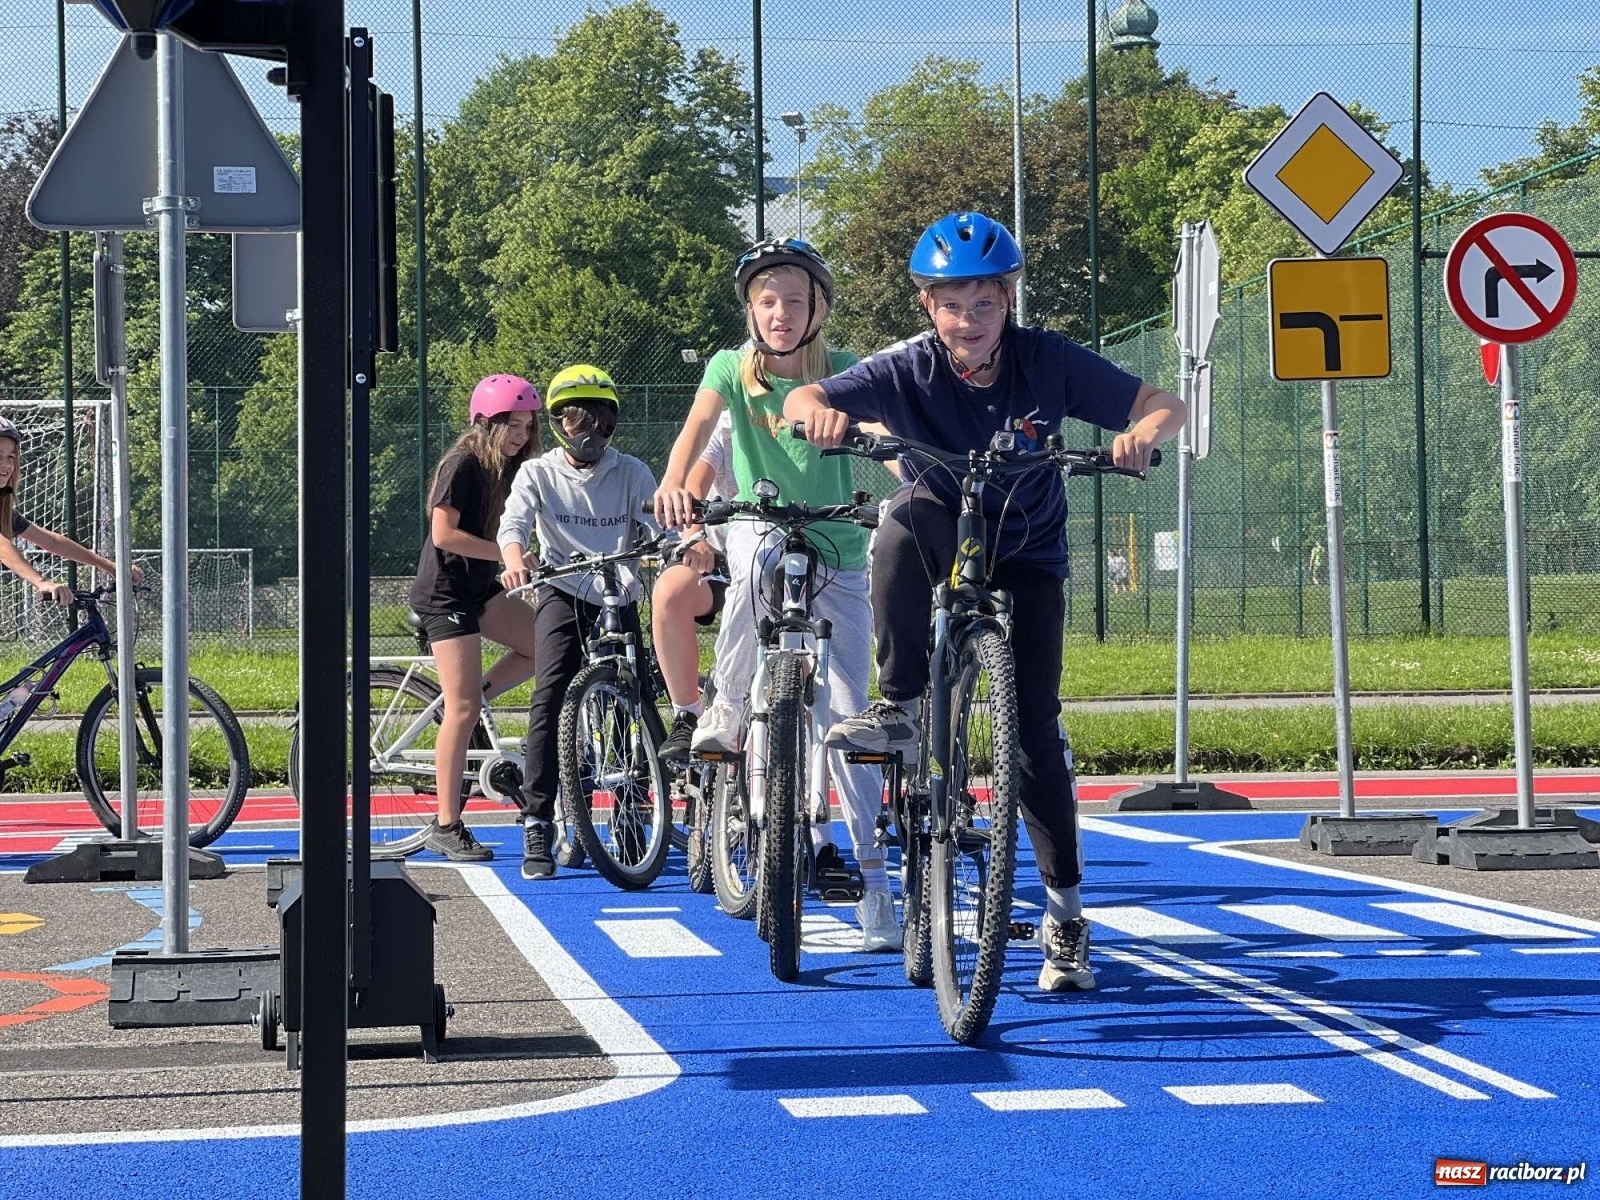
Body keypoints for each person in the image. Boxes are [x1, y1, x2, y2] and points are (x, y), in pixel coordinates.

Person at [782, 212, 1186, 991]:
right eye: (952, 306)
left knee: (1032, 727)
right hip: (941, 523)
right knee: (899, 522)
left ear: (1008, 302)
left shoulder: (1048, 361)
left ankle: (1066, 918)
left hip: (1030, 545)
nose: (969, 322)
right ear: (928, 309)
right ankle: (900, 703)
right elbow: (804, 396)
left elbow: (1159, 402)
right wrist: (820, 416)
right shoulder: (907, 368)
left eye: (985, 305)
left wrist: (1141, 434)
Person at [654, 238, 900, 954]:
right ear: (751, 311)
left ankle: (876, 882)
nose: (781, 313)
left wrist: (888, 444)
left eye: (795, 300)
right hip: (763, 521)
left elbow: (882, 424)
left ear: (820, 307)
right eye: (768, 301)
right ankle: (727, 708)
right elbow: (697, 431)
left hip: (837, 545)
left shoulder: (846, 372)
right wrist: (676, 485)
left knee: (850, 716)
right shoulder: (731, 368)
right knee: (755, 559)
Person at [499, 365, 660, 882]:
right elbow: (514, 524)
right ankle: (537, 820)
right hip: (563, 590)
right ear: (559, 424)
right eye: (576, 422)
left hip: (619, 591)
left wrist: (677, 549)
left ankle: (632, 811)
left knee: (635, 701)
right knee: (550, 696)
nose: (590, 435)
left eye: (603, 424)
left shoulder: (633, 471)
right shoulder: (537, 473)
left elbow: (657, 524)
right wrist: (515, 556)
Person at [407, 375, 542, 862]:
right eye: (512, 425)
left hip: (481, 588)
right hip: (447, 595)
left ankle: (470, 698)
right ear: (485, 422)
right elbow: (444, 534)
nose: (521, 435)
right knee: (461, 711)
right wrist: (508, 557)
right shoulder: (463, 463)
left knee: (544, 646)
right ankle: (447, 825)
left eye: (527, 426)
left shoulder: (514, 469)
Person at [652, 412, 734, 759]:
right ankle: (688, 714)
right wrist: (695, 536)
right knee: (671, 591)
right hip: (721, 557)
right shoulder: (726, 424)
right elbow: (693, 486)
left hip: (784, 553)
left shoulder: (808, 413)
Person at [0, 416, 145, 601]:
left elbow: (51, 542)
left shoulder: (4, 510)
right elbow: (2, 545)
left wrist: (109, 566)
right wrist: (42, 582)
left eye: (11, 456)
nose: (5, 464)